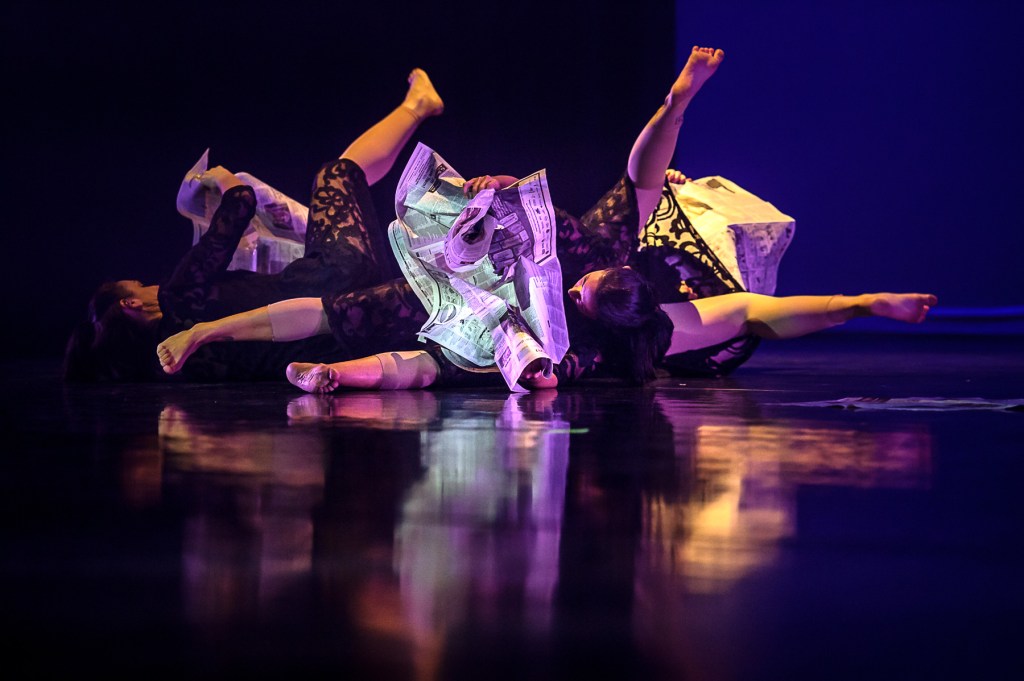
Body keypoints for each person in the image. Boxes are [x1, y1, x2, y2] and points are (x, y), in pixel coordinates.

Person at [155, 47, 937, 392]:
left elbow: (417, 365)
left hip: (445, 292)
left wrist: (215, 334)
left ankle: (237, 313)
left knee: (364, 306)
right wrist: (678, 101)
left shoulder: (568, 335)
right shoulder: (611, 258)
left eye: (582, 288)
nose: (581, 276)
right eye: (590, 275)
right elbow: (749, 301)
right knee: (351, 292)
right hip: (483, 261)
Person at [63, 68, 445, 382]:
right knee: (335, 174)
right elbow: (242, 202)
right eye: (138, 284)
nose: (148, 284)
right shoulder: (178, 295)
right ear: (131, 303)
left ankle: (417, 106)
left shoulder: (183, 367)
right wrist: (222, 180)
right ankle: (416, 108)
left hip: (342, 341)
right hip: (332, 279)